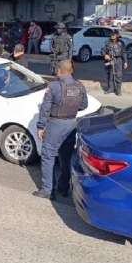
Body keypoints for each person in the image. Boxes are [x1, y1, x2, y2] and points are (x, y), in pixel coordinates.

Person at [34, 60, 87, 199]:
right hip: (72, 123)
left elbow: (45, 109)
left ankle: (47, 190)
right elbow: (84, 105)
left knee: (48, 156)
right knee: (66, 156)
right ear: (71, 71)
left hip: (56, 124)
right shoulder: (79, 85)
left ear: (58, 71)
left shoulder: (54, 86)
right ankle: (63, 188)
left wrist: (41, 126)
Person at [102, 30, 128, 96]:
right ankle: (110, 88)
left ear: (117, 35)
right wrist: (105, 55)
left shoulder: (121, 43)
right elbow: (102, 50)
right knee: (110, 75)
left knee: (118, 75)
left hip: (118, 60)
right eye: (111, 34)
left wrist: (125, 61)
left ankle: (118, 90)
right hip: (109, 60)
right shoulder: (107, 42)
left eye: (113, 34)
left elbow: (124, 52)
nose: (112, 36)